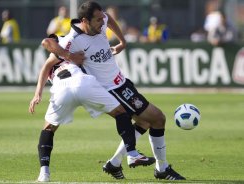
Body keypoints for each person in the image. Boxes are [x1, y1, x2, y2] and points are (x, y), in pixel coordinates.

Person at [51, 1, 185, 180]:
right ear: (85, 20)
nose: (102, 22)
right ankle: (162, 169)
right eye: (98, 20)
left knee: (144, 122)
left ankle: (114, 163)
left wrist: (122, 41)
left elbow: (109, 19)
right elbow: (48, 44)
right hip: (111, 89)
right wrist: (69, 56)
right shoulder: (72, 40)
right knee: (158, 118)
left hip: (122, 83)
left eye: (101, 18)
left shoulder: (101, 22)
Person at [29, 36, 155, 182]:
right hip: (84, 83)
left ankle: (44, 173)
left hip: (62, 89)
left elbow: (45, 66)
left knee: (48, 129)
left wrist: (37, 93)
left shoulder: (57, 56)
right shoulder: (72, 49)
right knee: (121, 113)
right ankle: (132, 153)